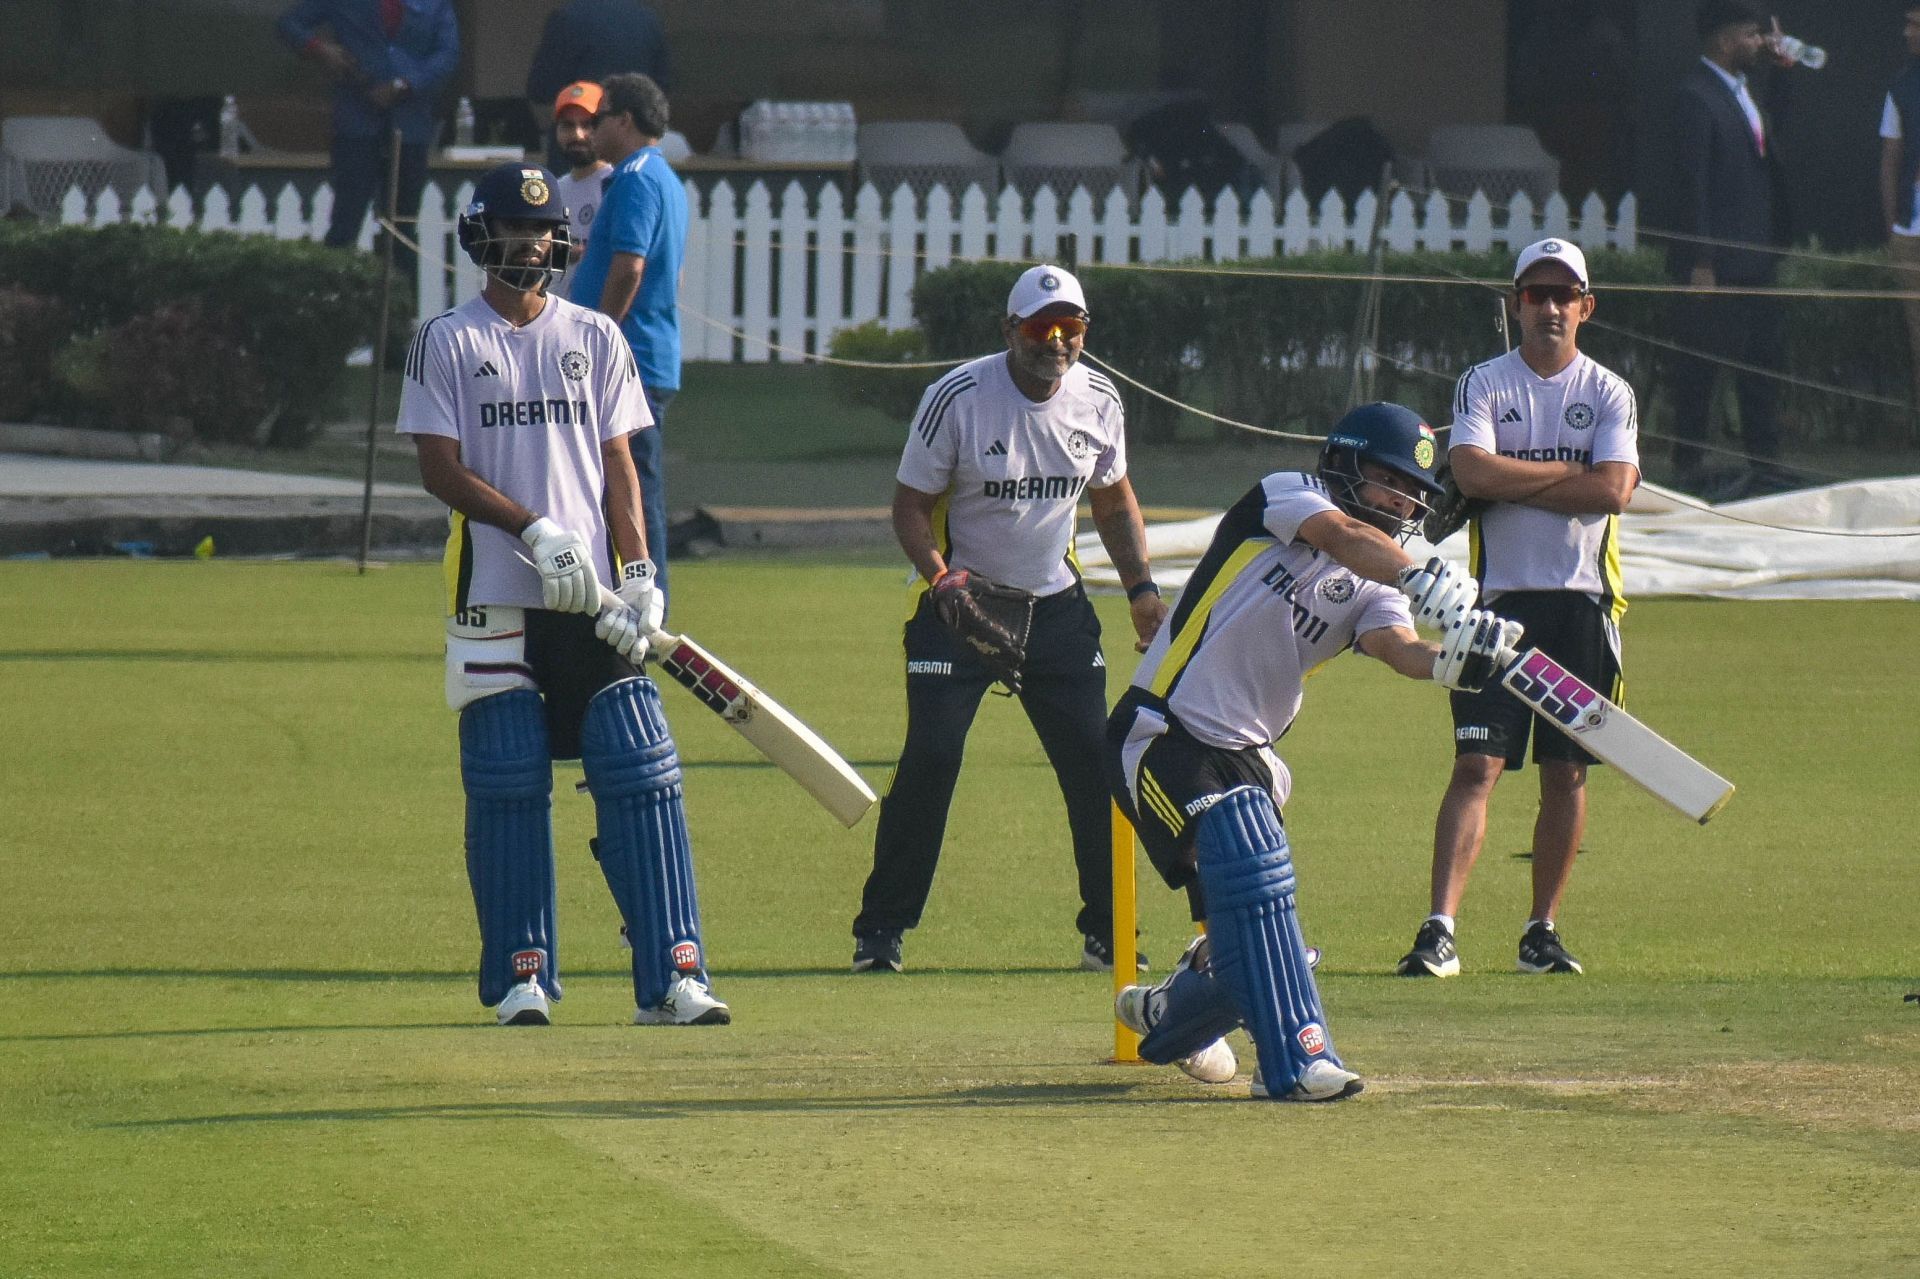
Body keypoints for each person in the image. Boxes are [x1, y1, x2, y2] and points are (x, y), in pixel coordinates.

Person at [1108, 402, 1522, 1101]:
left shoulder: (1375, 582)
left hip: (1247, 754)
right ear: (1345, 460)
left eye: (1416, 495)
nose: (1402, 501)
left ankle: (1171, 1010)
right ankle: (1300, 1061)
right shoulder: (1285, 495)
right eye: (1389, 480)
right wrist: (1421, 578)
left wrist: (1453, 664)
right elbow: (1343, 533)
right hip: (1161, 728)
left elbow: (1398, 646)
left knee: (1254, 951)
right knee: (1248, 848)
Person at [397, 161, 726, 1029]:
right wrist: (534, 529)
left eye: (542, 230)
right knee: (507, 773)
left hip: (594, 602)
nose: (530, 243)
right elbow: (439, 469)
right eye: (514, 228)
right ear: (484, 234)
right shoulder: (448, 340)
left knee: (640, 763)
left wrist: (640, 570)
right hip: (495, 593)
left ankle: (673, 976)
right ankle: (521, 974)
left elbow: (619, 466)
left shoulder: (597, 337)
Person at [850, 265, 1169, 975]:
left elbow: (1114, 501)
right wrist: (943, 581)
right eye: (1039, 328)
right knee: (932, 757)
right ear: (1009, 332)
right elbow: (909, 507)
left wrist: (1142, 588)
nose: (1055, 342)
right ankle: (881, 931)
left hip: (1054, 605)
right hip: (957, 603)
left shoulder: (1101, 399)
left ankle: (1110, 933)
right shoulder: (958, 398)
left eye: (1071, 329)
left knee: (1097, 761)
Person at [1396, 238, 1640, 981]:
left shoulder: (1608, 392)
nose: (1551, 308)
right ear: (1516, 304)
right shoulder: (1483, 383)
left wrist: (1518, 477)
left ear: (1586, 308)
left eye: (1565, 296)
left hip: (1584, 606)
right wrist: (1567, 470)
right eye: (1536, 295)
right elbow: (1467, 468)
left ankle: (1542, 930)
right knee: (1477, 763)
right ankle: (1441, 928)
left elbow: (1613, 491)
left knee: (1566, 773)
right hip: (1496, 604)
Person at [568, 73, 687, 616]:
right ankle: (633, 595)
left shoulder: (635, 177)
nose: (590, 129)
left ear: (625, 121)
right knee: (629, 480)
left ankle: (645, 602)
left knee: (631, 484)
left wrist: (600, 336)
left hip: (629, 355)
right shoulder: (663, 176)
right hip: (648, 350)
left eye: (601, 117)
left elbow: (630, 266)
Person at [1664, 0, 1792, 499]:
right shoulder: (1695, 96)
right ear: (1722, 38)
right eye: (1750, 35)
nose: (1759, 43)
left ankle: (1766, 462)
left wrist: (1784, 74)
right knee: (1701, 365)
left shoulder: (1742, 92)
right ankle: (1689, 463)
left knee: (1762, 361)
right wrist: (1700, 260)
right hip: (1715, 263)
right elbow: (1691, 183)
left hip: (1756, 257)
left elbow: (1775, 136)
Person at [278, 0, 459, 281]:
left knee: (402, 224)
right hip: (357, 119)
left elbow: (447, 54)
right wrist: (321, 50)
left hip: (409, 123)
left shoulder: (435, 3)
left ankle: (401, 311)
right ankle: (334, 301)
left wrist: (406, 84)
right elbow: (290, 24)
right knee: (346, 222)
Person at [1880, 5, 1920, 411]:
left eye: (1915, 26)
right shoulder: (1903, 85)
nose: (1908, 33)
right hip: (1912, 230)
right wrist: (1893, 227)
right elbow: (1890, 158)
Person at [526, 0, 670, 110]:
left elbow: (541, 89)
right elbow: (662, 87)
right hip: (636, 137)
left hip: (582, 135)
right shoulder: (649, 20)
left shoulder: (568, 18)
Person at [549, 81, 612, 300]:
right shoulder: (554, 190)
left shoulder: (615, 185)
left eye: (588, 125)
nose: (578, 135)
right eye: (567, 125)